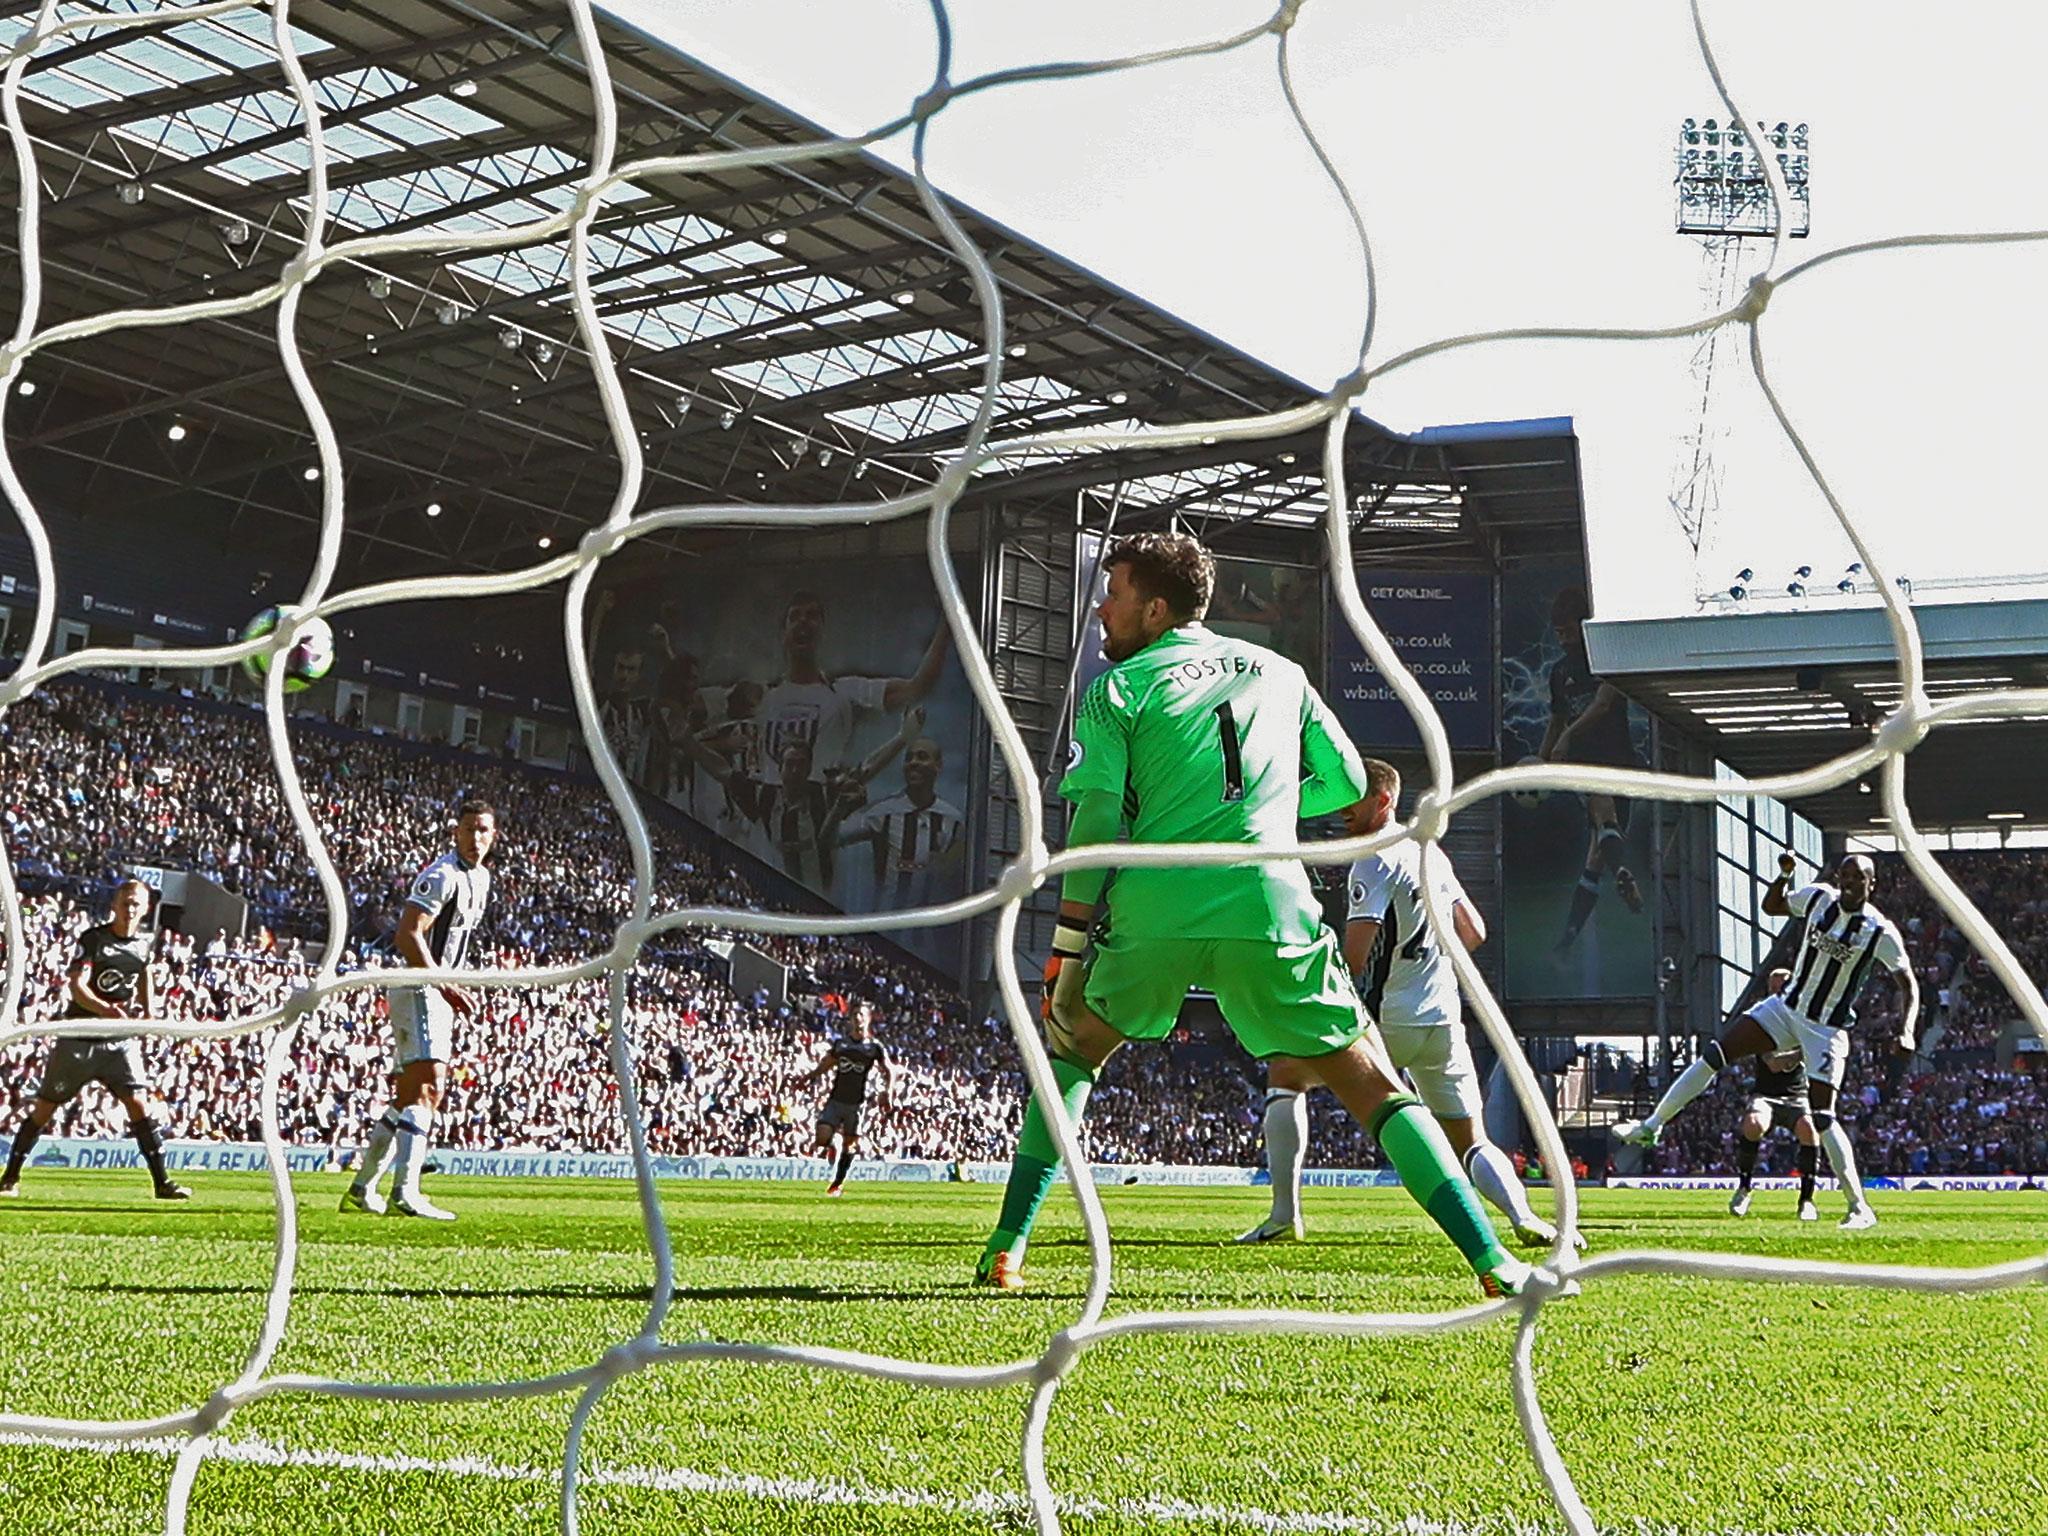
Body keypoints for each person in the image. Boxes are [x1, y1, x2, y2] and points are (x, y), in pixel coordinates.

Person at [975, 532, 1530, 1298]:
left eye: (1116, 593)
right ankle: (1490, 1260)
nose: (1101, 609)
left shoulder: (1118, 689)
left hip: (1156, 903)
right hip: (1270, 903)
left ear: (1157, 608)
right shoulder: (1282, 672)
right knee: (1370, 1084)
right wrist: (1262, 808)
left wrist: (1067, 949)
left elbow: (1096, 823)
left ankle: (1007, 1246)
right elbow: (1342, 786)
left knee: (1071, 1052)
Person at [1239, 759, 1578, 1253]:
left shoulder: (1373, 859)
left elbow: (1357, 958)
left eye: (1353, 800)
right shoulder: (1430, 854)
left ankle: (1283, 1215)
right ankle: (1524, 1216)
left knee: (1285, 1074)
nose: (1342, 811)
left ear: (1383, 801)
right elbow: (1474, 932)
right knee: (1473, 1140)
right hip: (1440, 1015)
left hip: (1386, 1018)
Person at [1615, 852, 1915, 1230]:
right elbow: (1773, 906)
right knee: (1714, 1054)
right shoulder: (1820, 898)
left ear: (1873, 885)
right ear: (1839, 877)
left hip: (1824, 1027)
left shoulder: (1878, 931)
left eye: (1861, 878)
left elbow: (1908, 984)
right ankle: (1653, 1125)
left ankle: (1859, 1208)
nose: (1852, 883)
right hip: (1784, 1008)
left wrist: (1906, 1029)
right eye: (1847, 875)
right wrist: (1784, 876)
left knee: (1822, 1117)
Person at [341, 799, 496, 1221]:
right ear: (455, 832)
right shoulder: (442, 875)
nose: (475, 838)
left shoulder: (481, 878)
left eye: (483, 830)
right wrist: (442, 982)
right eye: (469, 829)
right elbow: (408, 935)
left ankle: (361, 1188)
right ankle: (405, 1191)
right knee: (430, 1086)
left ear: (493, 836)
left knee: (410, 1095)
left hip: (435, 986)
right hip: (419, 985)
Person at [0, 879, 189, 1201]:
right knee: (46, 1108)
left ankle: (162, 1183)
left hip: (119, 1041)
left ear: (145, 910)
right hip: (80, 1037)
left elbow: (144, 973)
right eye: (125, 902)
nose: (130, 909)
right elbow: (77, 986)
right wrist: (105, 1010)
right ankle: (10, 1178)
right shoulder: (93, 939)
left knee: (139, 1104)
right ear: (114, 906)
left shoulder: (144, 944)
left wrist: (150, 1011)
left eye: (136, 904)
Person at [754, 589, 949, 784]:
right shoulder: (762, 697)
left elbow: (917, 688)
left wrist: (949, 620)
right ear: (783, 634)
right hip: (769, 809)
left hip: (821, 808)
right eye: (794, 616)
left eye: (812, 615)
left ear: (823, 631)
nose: (803, 621)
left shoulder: (845, 691)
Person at [1539, 587, 1644, 951]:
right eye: (1557, 632)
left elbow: (1602, 705)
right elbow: (1556, 719)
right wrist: (1539, 763)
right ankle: (1568, 940)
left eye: (1567, 630)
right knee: (1600, 837)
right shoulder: (1559, 672)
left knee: (1602, 831)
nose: (1562, 638)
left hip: (1616, 754)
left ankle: (1619, 874)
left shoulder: (1603, 659)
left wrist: (1567, 737)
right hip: (1587, 762)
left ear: (1583, 625)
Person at [834, 720, 964, 910]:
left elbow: (953, 873)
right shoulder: (882, 812)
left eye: (922, 757)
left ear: (938, 766)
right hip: (885, 924)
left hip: (926, 931)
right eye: (909, 758)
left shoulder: (953, 820)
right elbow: (833, 837)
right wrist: (840, 804)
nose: (914, 763)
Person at [1729, 967, 1822, 1220]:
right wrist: (1804, 1049)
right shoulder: (1764, 1019)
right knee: (1753, 1123)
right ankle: (1744, 1189)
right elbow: (1773, 1062)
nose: (1778, 991)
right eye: (1774, 986)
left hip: (1797, 1095)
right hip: (1766, 1094)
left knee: (1809, 1131)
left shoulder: (1806, 1016)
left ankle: (1807, 1200)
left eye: (1782, 986)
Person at [800, 1001, 894, 1196]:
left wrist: (888, 1091)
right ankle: (832, 1145)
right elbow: (827, 1064)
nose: (858, 1018)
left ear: (868, 1019)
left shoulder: (875, 1047)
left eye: (862, 1015)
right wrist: (808, 1077)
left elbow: (890, 1070)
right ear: (851, 1020)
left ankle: (837, 1183)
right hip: (836, 1098)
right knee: (822, 1137)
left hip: (858, 1103)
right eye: (855, 1015)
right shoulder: (841, 1044)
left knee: (850, 1144)